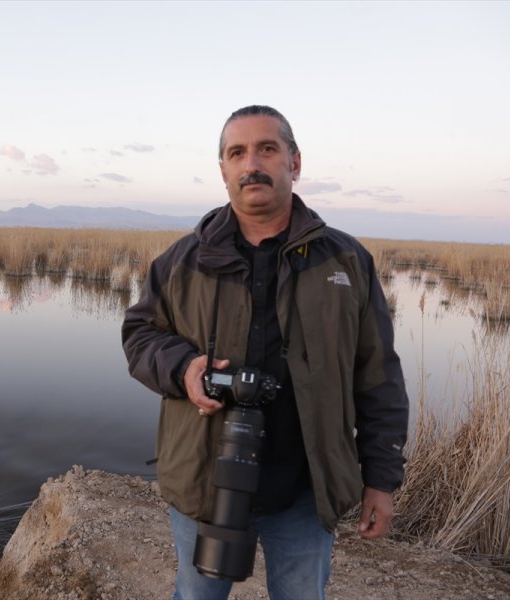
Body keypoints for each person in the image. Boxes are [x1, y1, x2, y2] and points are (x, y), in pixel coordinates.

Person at [121, 105, 409, 600]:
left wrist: (380, 480)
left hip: (304, 485)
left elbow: (377, 375)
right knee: (196, 595)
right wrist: (186, 369)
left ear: (295, 163)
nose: (251, 163)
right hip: (203, 478)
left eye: (267, 149)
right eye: (237, 153)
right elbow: (139, 335)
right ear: (223, 171)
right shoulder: (180, 262)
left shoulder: (346, 261)